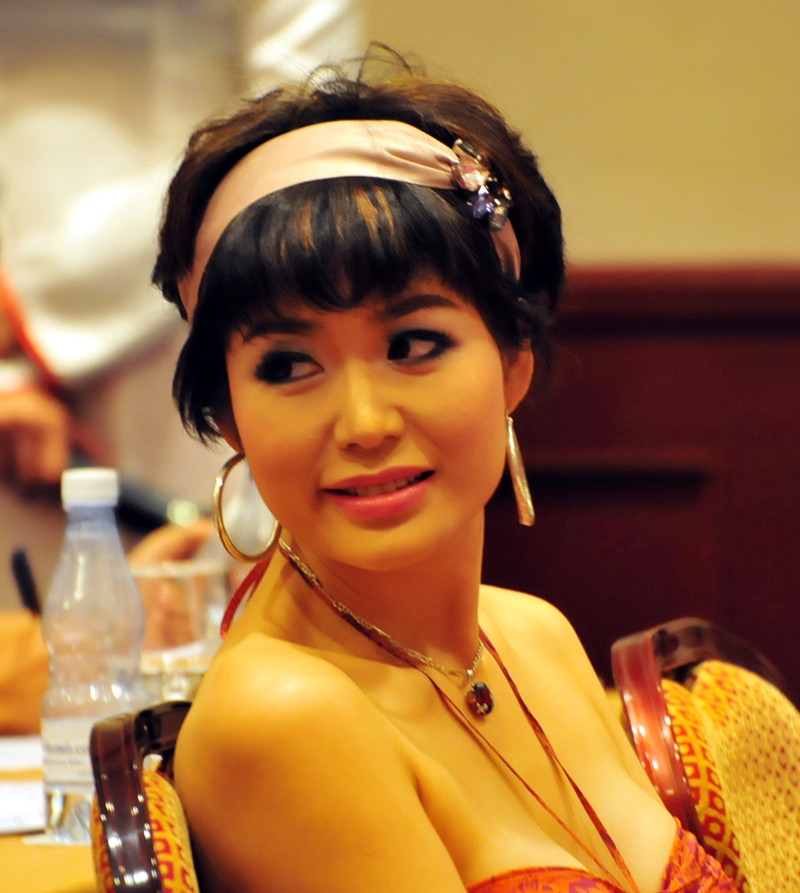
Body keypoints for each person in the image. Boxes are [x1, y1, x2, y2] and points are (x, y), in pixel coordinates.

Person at [153, 51, 735, 892]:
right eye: (289, 365)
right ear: (229, 413)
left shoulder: (532, 635)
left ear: (512, 364)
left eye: (413, 345)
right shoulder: (282, 716)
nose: (364, 423)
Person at [0, 0, 363, 605]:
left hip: (202, 300)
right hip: (18, 384)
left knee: (211, 606)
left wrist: (31, 301)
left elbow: (307, 119)